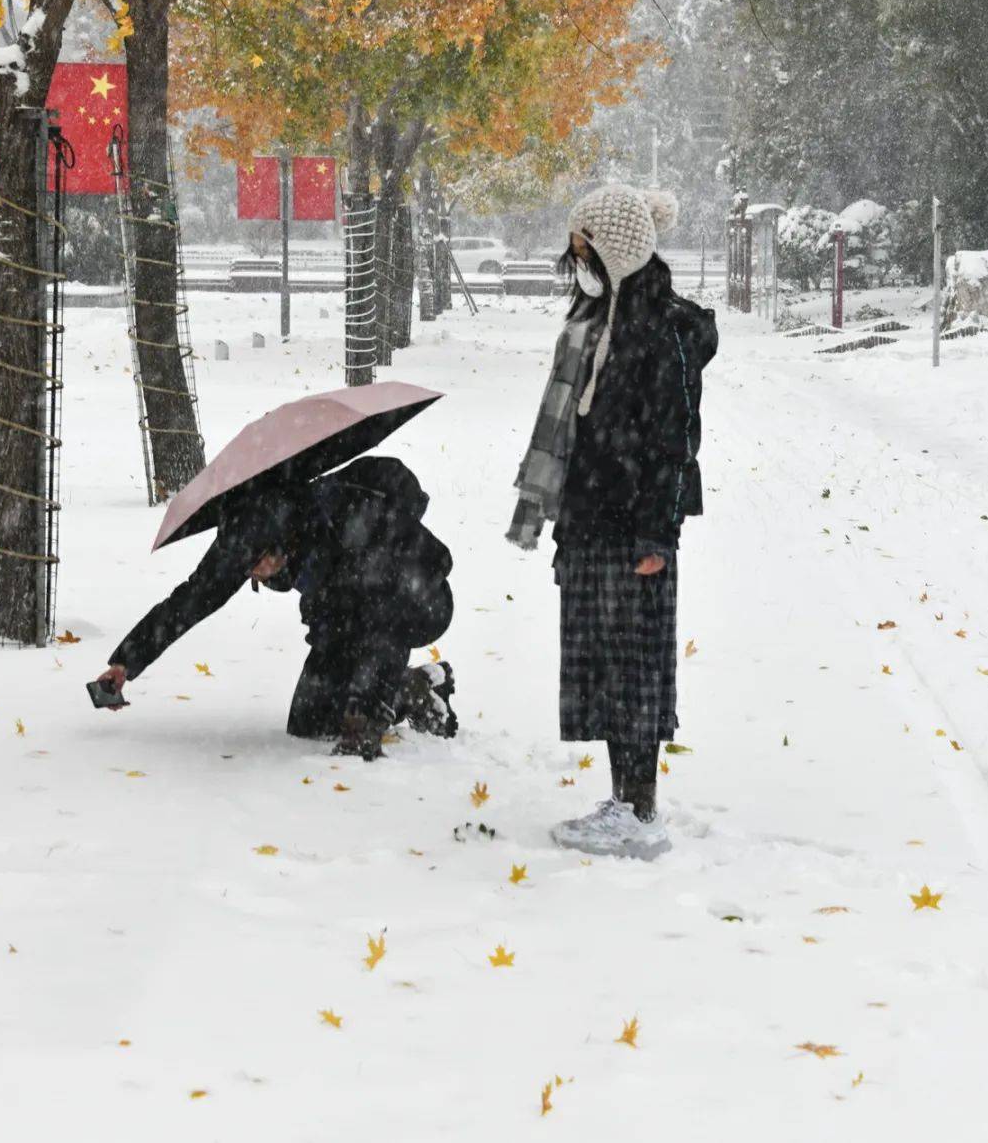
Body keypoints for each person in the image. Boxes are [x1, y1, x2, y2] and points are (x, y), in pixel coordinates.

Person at [507, 184, 717, 859]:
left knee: (637, 671)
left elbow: (674, 439)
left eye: (586, 250)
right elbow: (580, 432)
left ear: (618, 249)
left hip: (635, 528)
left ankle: (639, 809)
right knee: (603, 668)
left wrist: (658, 532)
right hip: (591, 517)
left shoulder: (665, 327)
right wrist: (565, 523)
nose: (579, 264)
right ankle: (623, 800)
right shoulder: (599, 319)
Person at [92, 456, 457, 761]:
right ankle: (414, 688)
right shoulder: (245, 536)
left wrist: (366, 710)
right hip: (342, 616)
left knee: (358, 710)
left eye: (257, 563)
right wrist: (127, 660)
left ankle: (390, 699)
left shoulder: (346, 517)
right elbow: (192, 598)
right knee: (309, 724)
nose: (252, 573)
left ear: (279, 544)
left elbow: (399, 599)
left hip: (416, 600)